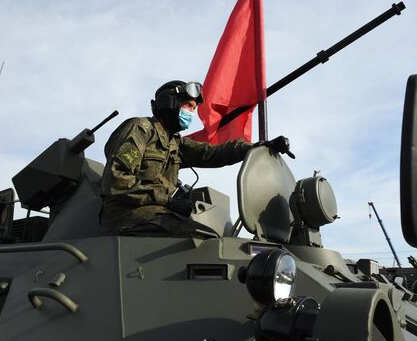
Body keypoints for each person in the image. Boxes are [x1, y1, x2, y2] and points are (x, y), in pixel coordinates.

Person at [100, 80, 291, 238]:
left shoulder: (174, 143)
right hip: (125, 214)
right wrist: (166, 201)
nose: (192, 113)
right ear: (170, 103)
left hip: (153, 213)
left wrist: (258, 147)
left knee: (211, 234)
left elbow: (211, 153)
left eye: (194, 108)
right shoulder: (141, 129)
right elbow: (116, 181)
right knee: (198, 238)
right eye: (189, 106)